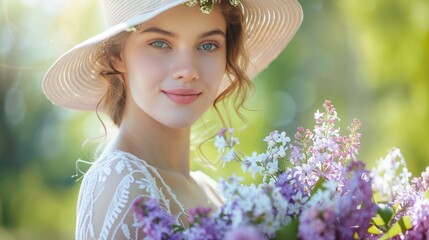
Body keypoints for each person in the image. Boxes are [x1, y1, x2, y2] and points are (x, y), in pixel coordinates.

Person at [42, 0, 302, 239]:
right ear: (117, 56)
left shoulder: (214, 192)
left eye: (208, 45)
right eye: (160, 43)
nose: (187, 71)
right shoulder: (120, 183)